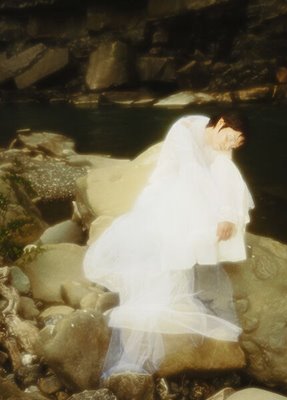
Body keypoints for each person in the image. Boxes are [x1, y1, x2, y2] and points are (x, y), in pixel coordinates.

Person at [83, 110, 255, 379]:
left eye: (236, 143)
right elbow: (192, 175)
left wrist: (228, 213)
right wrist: (219, 212)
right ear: (221, 123)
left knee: (222, 202)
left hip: (195, 194)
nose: (230, 145)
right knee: (168, 252)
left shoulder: (221, 145)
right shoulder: (184, 129)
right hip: (169, 194)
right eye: (231, 138)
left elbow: (224, 177)